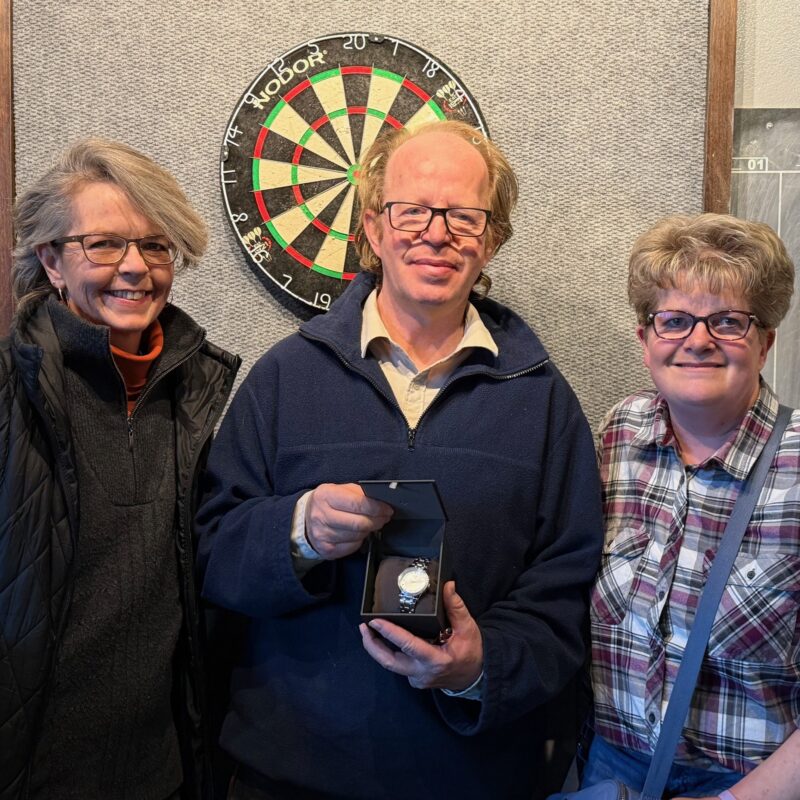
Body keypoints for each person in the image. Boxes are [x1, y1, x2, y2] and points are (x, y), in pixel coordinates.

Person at [196, 119, 603, 800]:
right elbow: (210, 551)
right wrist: (299, 530)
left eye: (463, 216)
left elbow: (566, 591)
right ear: (373, 228)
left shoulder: (541, 400)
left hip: (475, 779)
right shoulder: (286, 377)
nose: (436, 234)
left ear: (492, 238)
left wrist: (481, 664)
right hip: (290, 775)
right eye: (411, 211)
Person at [0, 138, 240, 800]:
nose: (135, 267)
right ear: (52, 260)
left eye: (155, 245)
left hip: (162, 776)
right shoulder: (8, 392)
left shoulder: (193, 397)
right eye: (103, 244)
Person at [585, 213, 800, 799]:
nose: (698, 341)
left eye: (727, 321)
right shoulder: (618, 437)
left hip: (754, 783)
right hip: (611, 772)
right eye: (674, 320)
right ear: (645, 340)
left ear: (765, 342)